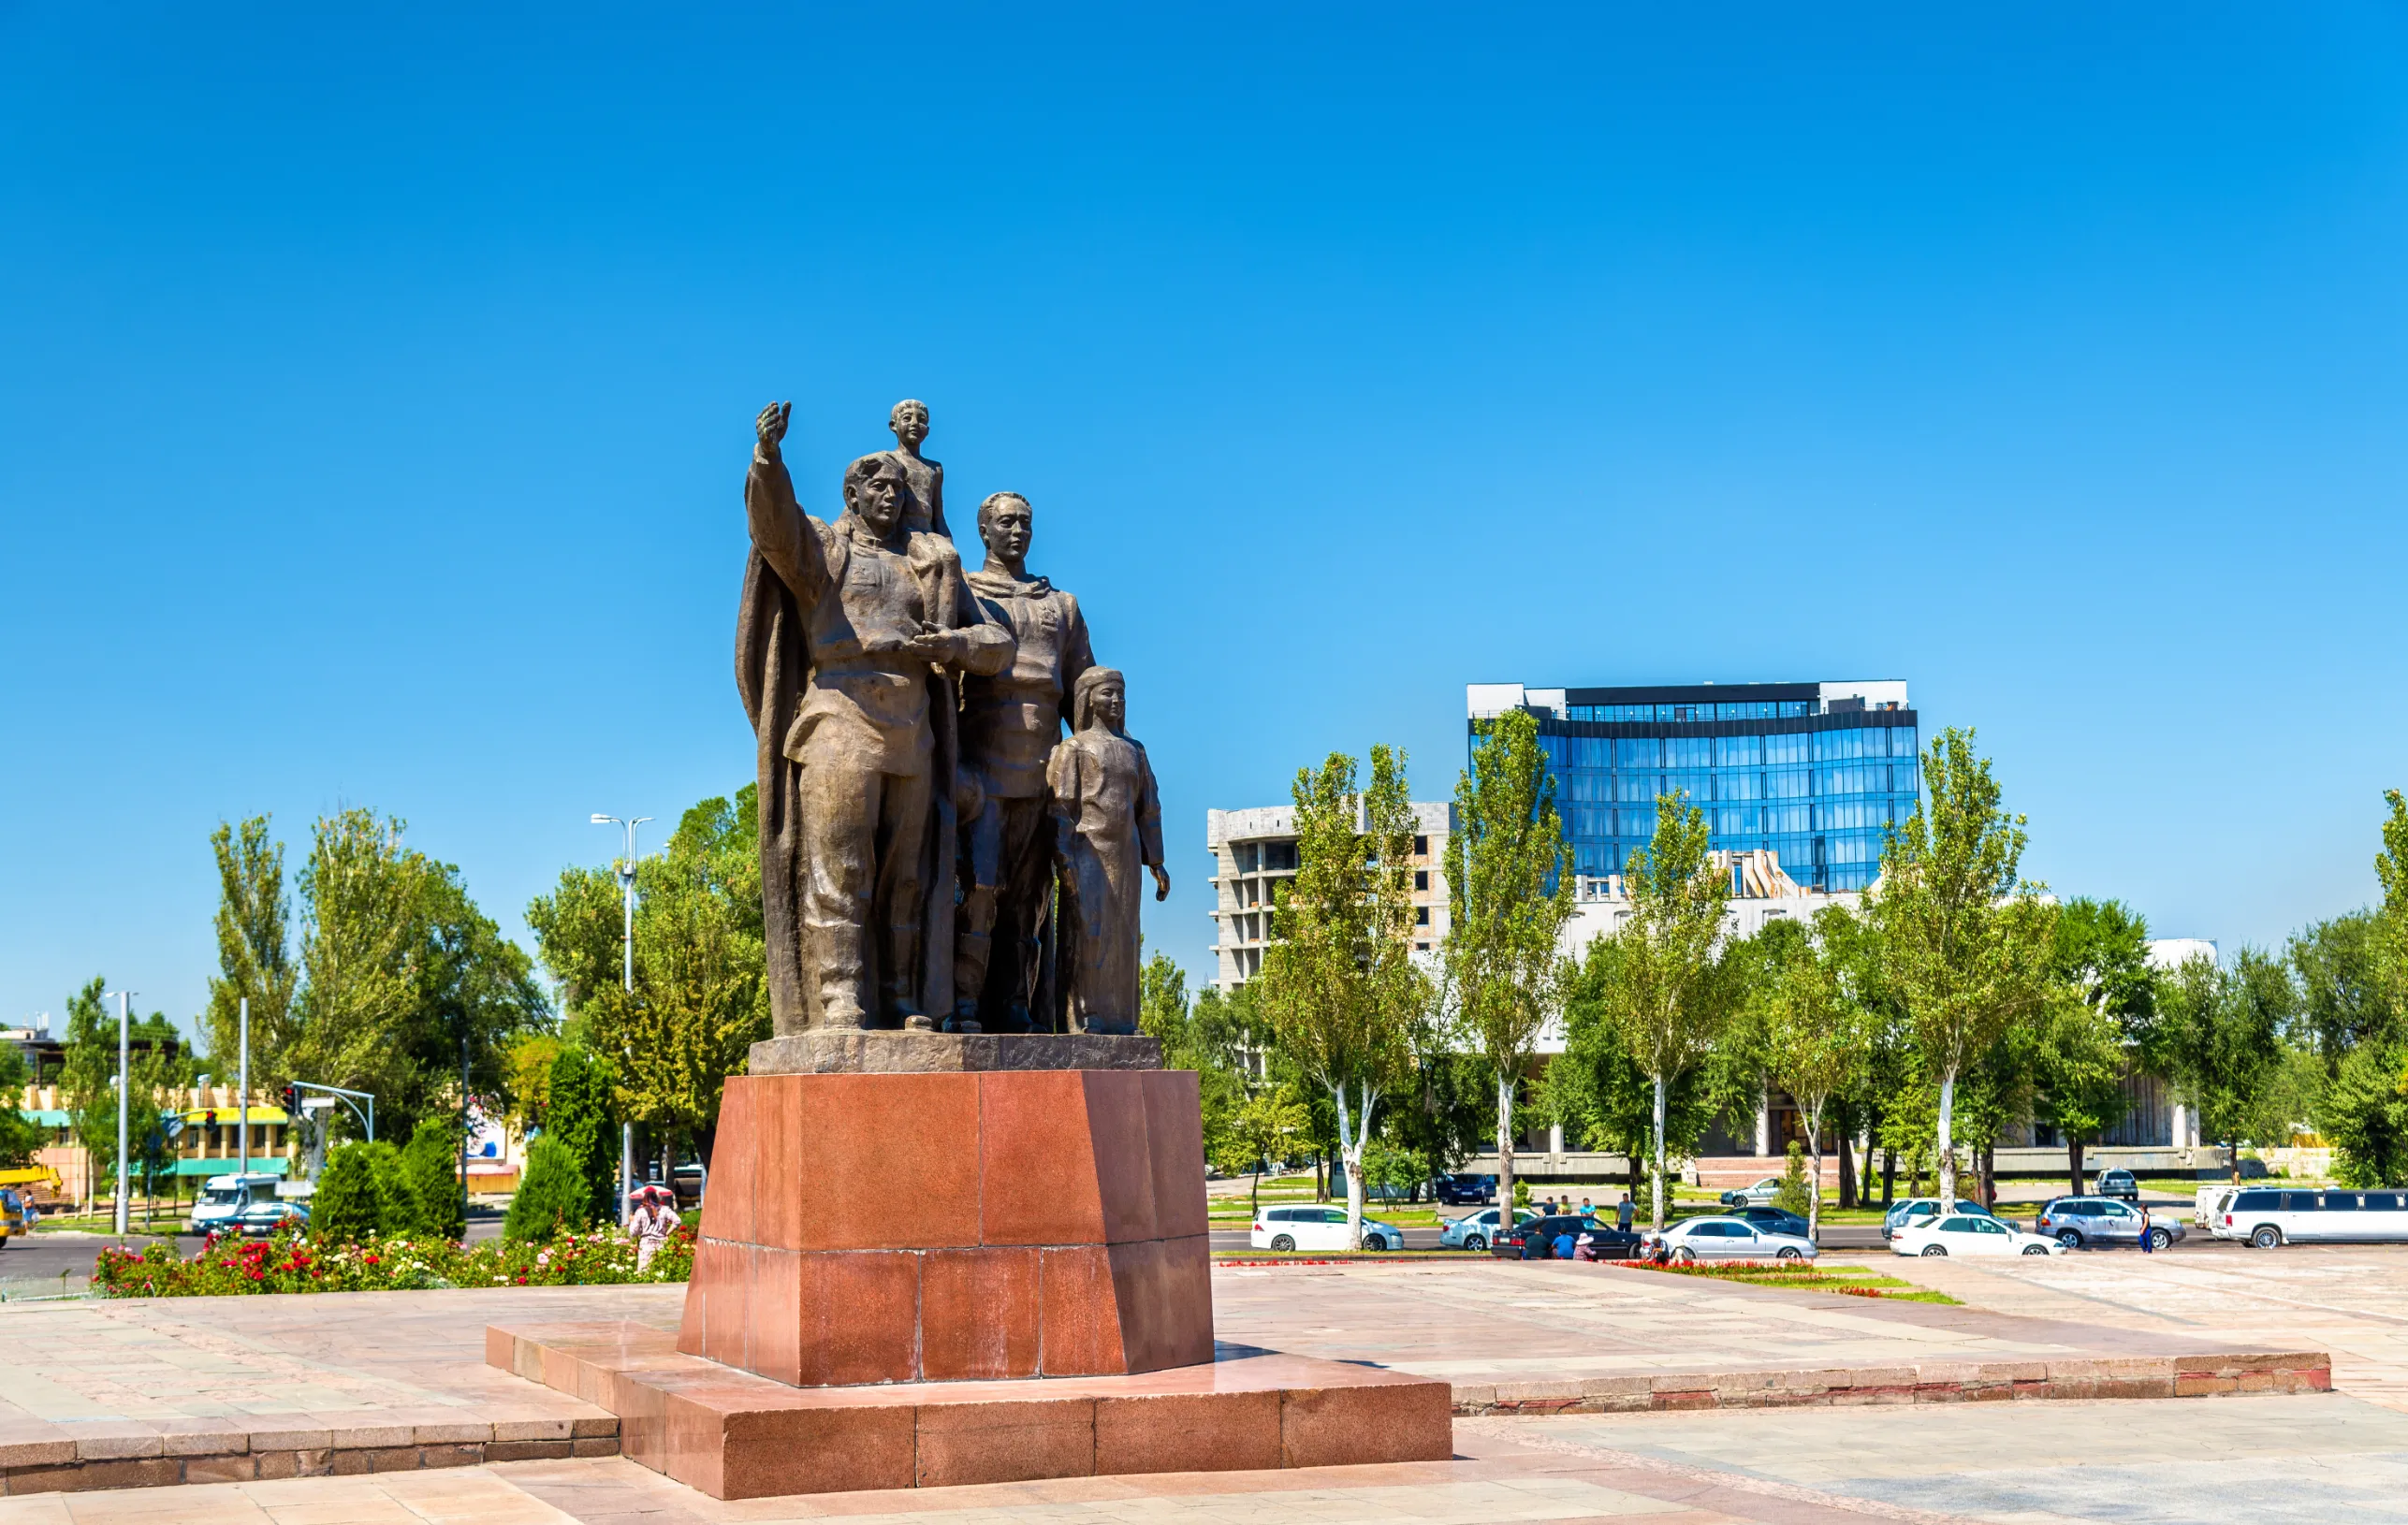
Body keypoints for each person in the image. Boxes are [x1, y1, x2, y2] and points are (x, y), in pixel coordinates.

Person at [740, 402, 1013, 1029]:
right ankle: (840, 996)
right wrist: (768, 460)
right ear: (853, 494)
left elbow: (997, 643)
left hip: (910, 728)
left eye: (898, 487)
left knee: (906, 877)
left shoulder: (925, 561)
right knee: (841, 867)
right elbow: (774, 528)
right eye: (878, 487)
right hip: (839, 719)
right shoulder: (826, 550)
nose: (891, 495)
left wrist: (953, 645)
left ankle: (898, 995)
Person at [953, 491, 1094, 1031]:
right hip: (983, 776)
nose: (1017, 531)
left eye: (1025, 523)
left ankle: (1016, 1006)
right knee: (981, 893)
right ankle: (966, 1004)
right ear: (984, 530)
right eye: (1006, 522)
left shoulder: (1061, 606)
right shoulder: (964, 590)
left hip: (1042, 780)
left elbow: (1083, 695)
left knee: (1029, 905)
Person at [1046, 669, 1168, 1033]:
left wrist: (1157, 862)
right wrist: (1063, 858)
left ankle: (1124, 1018)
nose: (1116, 702)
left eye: (1121, 695)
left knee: (1126, 934)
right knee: (1089, 931)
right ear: (1088, 699)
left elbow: (1150, 807)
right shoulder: (1074, 748)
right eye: (1107, 694)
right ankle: (1082, 1017)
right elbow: (1060, 809)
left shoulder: (1136, 751)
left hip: (1127, 854)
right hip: (1088, 851)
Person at [627, 1185, 678, 1273]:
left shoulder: (640, 1211)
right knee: (662, 1272)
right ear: (657, 1197)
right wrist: (667, 1233)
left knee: (644, 1271)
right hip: (661, 1242)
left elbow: (633, 1232)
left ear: (644, 1198)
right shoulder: (665, 1210)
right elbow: (677, 1221)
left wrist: (632, 1221)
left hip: (646, 1244)